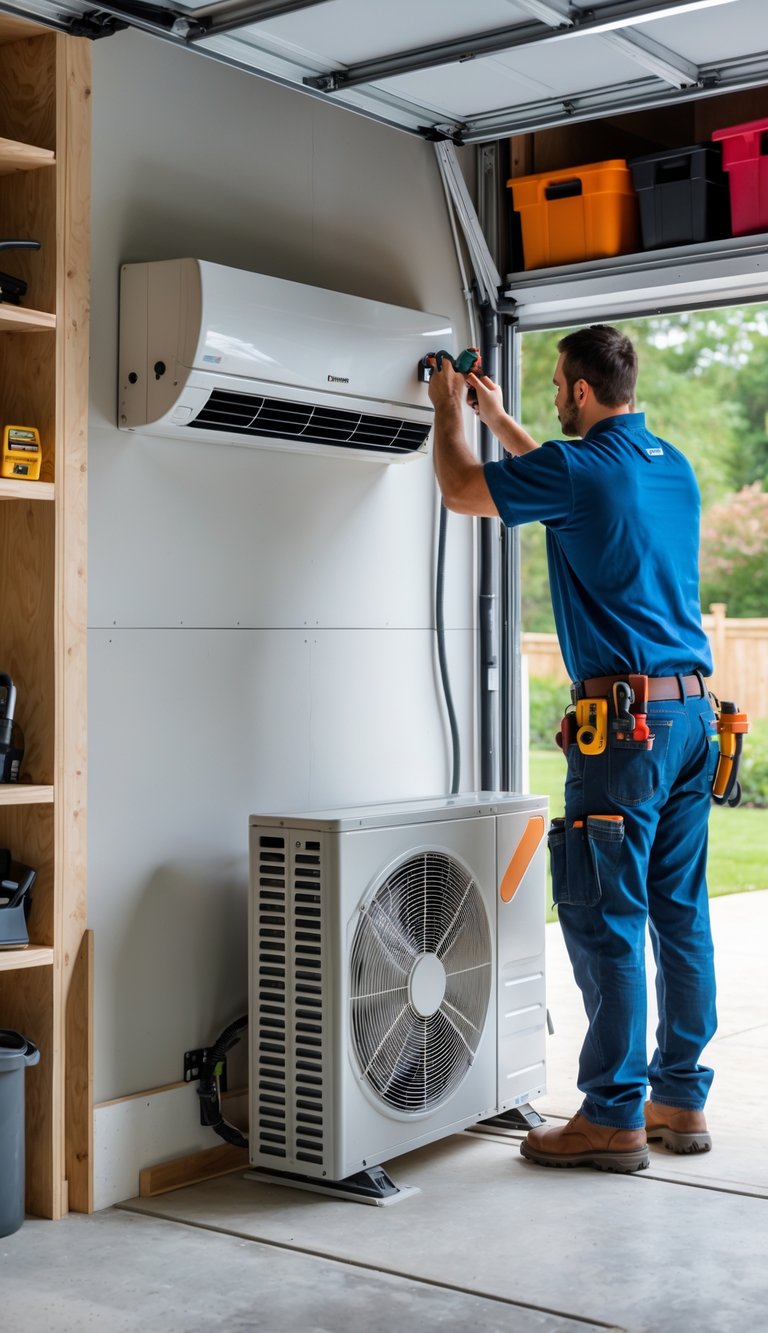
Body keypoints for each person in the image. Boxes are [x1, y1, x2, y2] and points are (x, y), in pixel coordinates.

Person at [427, 325, 718, 1174]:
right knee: (680, 915)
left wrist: (451, 413)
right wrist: (503, 416)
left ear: (582, 393)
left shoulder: (577, 471)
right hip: (694, 720)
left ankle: (612, 1116)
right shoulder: (668, 465)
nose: (556, 398)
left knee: (607, 918)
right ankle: (679, 1097)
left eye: (558, 387)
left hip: (626, 732)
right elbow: (566, 478)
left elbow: (460, 489)